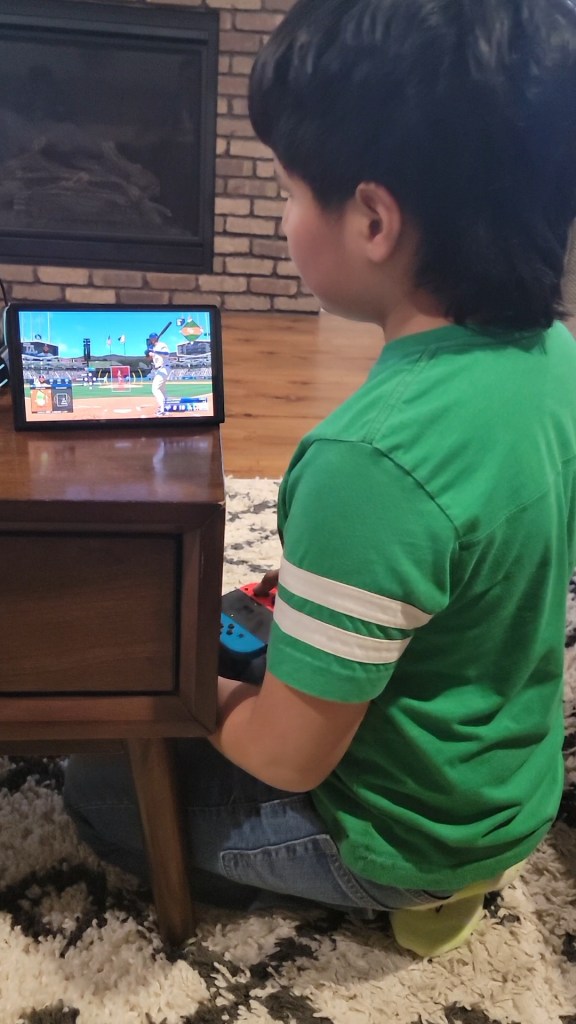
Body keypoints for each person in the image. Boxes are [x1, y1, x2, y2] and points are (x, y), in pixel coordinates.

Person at [63, 0, 576, 956]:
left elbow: (285, 757)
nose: (287, 211)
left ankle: (411, 888)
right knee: (240, 627)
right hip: (510, 784)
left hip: (403, 829)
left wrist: (175, 687)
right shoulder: (556, 357)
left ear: (374, 218)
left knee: (97, 781)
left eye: (290, 189)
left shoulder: (368, 462)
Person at [147, 332, 170, 415]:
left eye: (150, 339)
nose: (150, 341)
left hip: (164, 368)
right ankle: (166, 407)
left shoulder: (161, 345)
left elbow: (166, 354)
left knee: (155, 388)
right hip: (158, 370)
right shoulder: (154, 347)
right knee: (162, 389)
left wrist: (155, 351)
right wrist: (149, 353)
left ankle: (162, 410)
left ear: (153, 339)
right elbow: (149, 359)